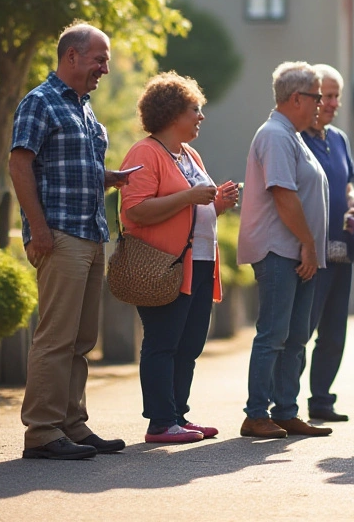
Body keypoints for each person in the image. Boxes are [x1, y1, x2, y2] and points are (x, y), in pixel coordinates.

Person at [9, 22, 136, 460]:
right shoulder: (40, 102)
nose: (105, 68)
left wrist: (108, 177)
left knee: (82, 340)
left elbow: (66, 168)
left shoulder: (84, 108)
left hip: (90, 232)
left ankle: (72, 424)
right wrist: (38, 229)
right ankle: (42, 432)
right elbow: (19, 166)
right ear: (72, 57)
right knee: (56, 337)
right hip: (60, 236)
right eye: (100, 59)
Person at [119, 73, 239, 444]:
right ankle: (160, 422)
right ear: (172, 113)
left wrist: (218, 203)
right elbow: (135, 210)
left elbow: (194, 210)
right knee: (163, 341)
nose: (201, 116)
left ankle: (178, 416)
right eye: (195, 109)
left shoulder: (190, 154)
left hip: (200, 263)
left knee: (189, 345)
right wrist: (190, 198)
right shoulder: (145, 153)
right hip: (163, 266)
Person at [238, 62, 333, 438]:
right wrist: (308, 244)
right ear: (296, 98)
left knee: (295, 337)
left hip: (296, 252)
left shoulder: (292, 134)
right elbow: (283, 194)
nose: (320, 104)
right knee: (274, 334)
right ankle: (256, 412)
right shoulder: (276, 135)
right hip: (281, 250)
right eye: (317, 97)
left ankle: (285, 410)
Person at [300, 64, 354, 423]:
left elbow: (348, 184)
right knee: (302, 328)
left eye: (336, 96)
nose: (331, 102)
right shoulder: (298, 139)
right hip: (310, 250)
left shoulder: (339, 138)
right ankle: (284, 403)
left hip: (343, 249)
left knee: (334, 330)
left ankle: (322, 400)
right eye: (325, 95)